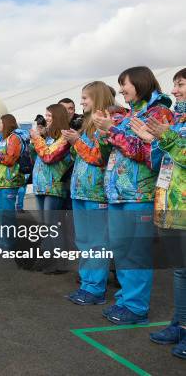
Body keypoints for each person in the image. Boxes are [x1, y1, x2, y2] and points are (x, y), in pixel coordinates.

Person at [92, 66, 174, 325]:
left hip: (139, 195)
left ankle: (136, 306)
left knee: (136, 252)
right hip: (118, 194)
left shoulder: (158, 113)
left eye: (124, 84)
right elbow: (114, 151)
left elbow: (150, 155)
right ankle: (126, 299)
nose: (121, 90)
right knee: (122, 249)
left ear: (139, 83)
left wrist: (113, 132)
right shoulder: (130, 115)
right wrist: (106, 133)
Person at [130, 68, 186, 359]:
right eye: (175, 85)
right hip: (172, 204)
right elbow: (165, 161)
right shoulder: (176, 121)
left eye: (181, 85)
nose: (175, 91)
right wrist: (153, 141)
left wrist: (167, 139)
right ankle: (180, 324)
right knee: (180, 271)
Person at [62, 81, 115, 304]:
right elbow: (81, 158)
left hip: (96, 193)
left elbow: (98, 157)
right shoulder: (85, 124)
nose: (81, 102)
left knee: (96, 243)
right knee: (83, 241)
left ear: (98, 98)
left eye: (85, 98)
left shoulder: (105, 124)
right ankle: (87, 284)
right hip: (80, 191)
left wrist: (77, 142)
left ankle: (95, 289)